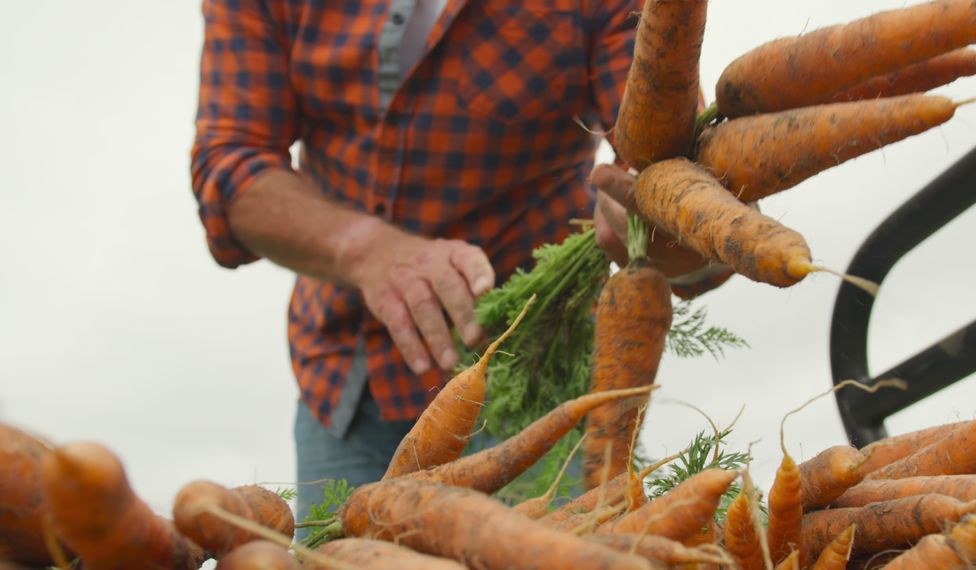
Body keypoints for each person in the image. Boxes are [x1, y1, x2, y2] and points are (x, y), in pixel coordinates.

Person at [189, 0, 731, 520]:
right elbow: (230, 162)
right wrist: (365, 249)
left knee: (563, 543)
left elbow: (665, 163)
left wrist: (683, 226)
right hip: (346, 381)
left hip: (536, 377)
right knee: (339, 546)